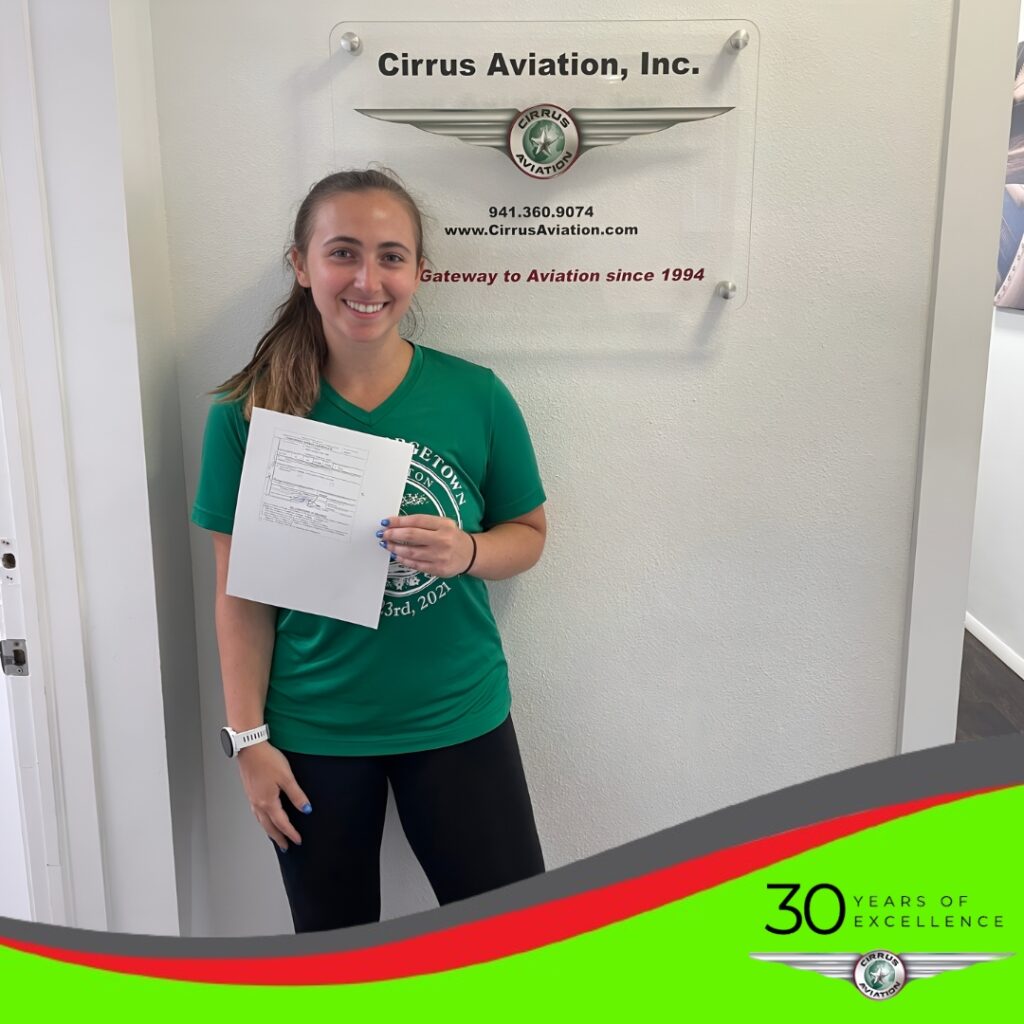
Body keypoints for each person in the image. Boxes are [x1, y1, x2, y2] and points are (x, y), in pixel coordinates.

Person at [191, 168, 547, 932]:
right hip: (313, 735)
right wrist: (248, 741)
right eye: (342, 253)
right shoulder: (246, 414)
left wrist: (470, 552)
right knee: (337, 961)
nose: (367, 278)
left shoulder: (475, 395)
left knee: (515, 947)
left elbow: (530, 535)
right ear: (301, 264)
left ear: (420, 272)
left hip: (458, 719)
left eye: (391, 256)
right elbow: (238, 595)